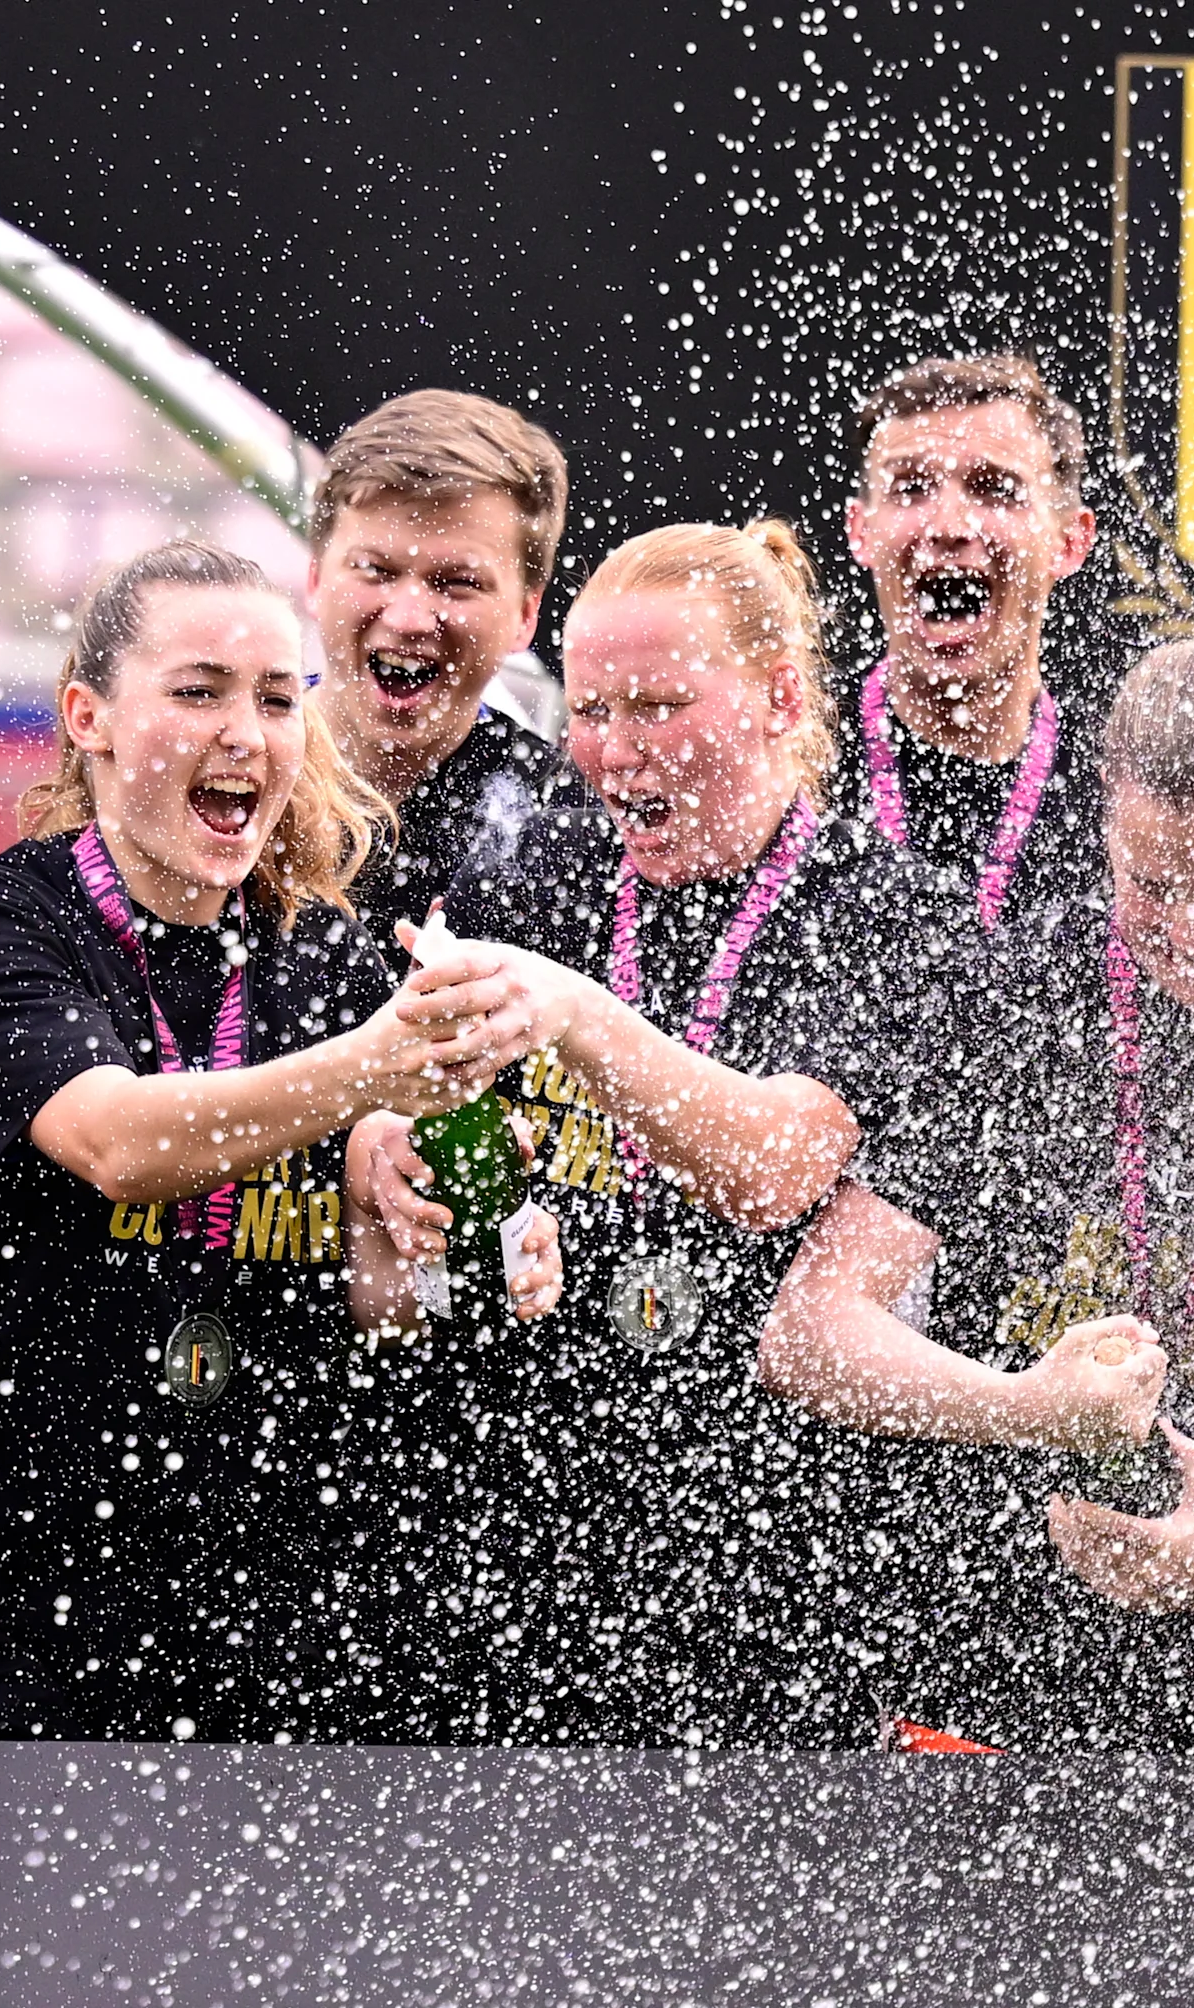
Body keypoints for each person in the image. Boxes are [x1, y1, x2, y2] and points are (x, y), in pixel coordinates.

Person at [757, 630, 1194, 1753]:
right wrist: (1025, 1408)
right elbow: (809, 1335)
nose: (1188, 931)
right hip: (983, 1711)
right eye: (1152, 883)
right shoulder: (1019, 996)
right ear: (1103, 827)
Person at [0, 540, 543, 1743]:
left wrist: (427, 1204)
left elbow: (391, 1308)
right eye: (198, 691)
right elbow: (117, 1144)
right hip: (44, 1597)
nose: (245, 731)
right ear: (87, 716)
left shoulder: (338, 958)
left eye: (277, 695)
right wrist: (364, 1072)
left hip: (280, 1613)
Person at [355, 523, 932, 1742]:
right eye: (592, 708)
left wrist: (572, 1011)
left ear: (781, 698)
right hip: (517, 1556)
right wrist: (390, 1161)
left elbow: (774, 1167)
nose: (614, 753)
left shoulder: (885, 912)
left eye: (662, 706)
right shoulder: (534, 877)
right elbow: (427, 1157)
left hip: (772, 1577)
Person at [839, 353, 1103, 945]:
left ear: (1070, 540)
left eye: (994, 490)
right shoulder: (785, 769)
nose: (949, 524)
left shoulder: (1115, 795)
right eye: (910, 489)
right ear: (861, 531)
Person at [303, 390, 578, 935]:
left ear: (526, 614)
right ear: (315, 579)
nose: (408, 618)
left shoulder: (565, 824)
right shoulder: (219, 779)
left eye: (457, 583)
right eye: (376, 571)